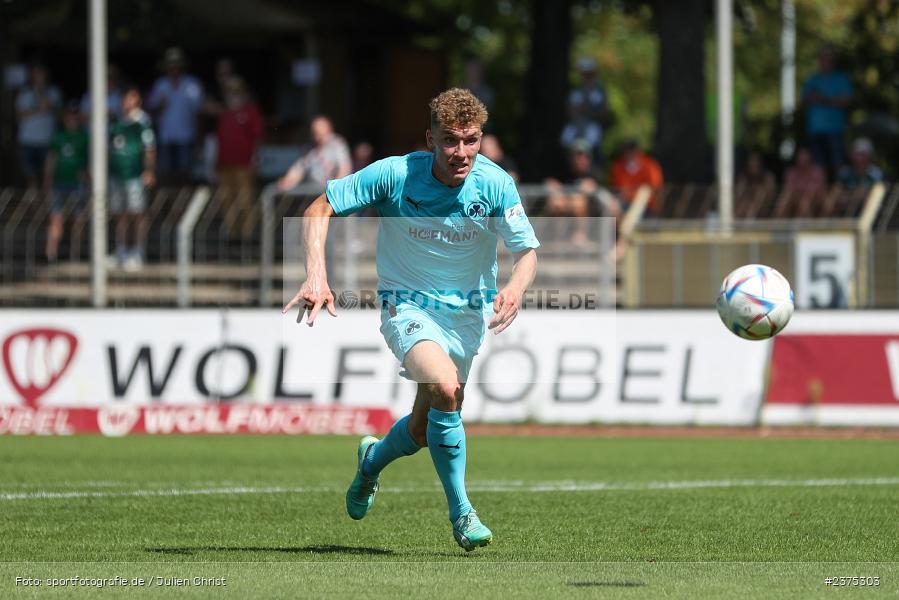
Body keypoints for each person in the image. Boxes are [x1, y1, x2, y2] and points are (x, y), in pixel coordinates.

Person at [282, 88, 539, 551]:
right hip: (407, 305)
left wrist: (516, 288)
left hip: (466, 317)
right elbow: (319, 207)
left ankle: (370, 463)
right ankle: (462, 513)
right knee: (445, 387)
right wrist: (316, 276)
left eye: (471, 140)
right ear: (430, 139)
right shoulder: (396, 173)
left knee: (424, 428)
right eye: (450, 141)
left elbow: (527, 252)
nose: (461, 153)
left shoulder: (496, 183)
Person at [109, 86, 156, 271]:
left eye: (130, 98)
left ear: (137, 99)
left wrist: (149, 171)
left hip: (135, 175)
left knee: (137, 213)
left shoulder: (142, 122)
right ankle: (121, 250)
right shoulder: (117, 123)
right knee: (120, 214)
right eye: (124, 98)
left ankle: (137, 251)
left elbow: (150, 149)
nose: (127, 102)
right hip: (117, 175)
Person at [214, 76, 264, 237]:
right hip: (224, 163)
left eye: (235, 91)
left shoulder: (250, 111)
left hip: (244, 163)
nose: (232, 95)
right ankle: (232, 231)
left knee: (245, 198)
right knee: (226, 198)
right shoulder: (225, 113)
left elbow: (257, 137)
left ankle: (247, 232)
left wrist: (255, 157)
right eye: (229, 92)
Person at [146, 47, 203, 184]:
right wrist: (160, 105)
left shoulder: (192, 84)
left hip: (186, 137)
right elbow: (150, 112)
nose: (173, 68)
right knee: (166, 173)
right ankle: (168, 204)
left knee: (185, 172)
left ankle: (185, 204)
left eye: (176, 64)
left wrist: (199, 138)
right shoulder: (160, 85)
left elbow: (198, 114)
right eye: (170, 65)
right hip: (166, 137)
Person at [543, 139, 611, 246]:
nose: (579, 159)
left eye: (583, 155)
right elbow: (550, 183)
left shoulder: (594, 173)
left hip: (591, 214)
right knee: (556, 202)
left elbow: (592, 188)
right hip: (566, 206)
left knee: (577, 201)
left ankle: (580, 235)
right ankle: (558, 238)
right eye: (576, 155)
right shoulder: (564, 171)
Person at [43, 102, 88, 261]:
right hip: (59, 182)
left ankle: (75, 255)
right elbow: (51, 159)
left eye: (75, 116)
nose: (72, 119)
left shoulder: (85, 136)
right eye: (69, 116)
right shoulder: (58, 136)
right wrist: (47, 179)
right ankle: (50, 255)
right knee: (56, 218)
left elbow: (92, 161)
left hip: (78, 184)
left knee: (79, 220)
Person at [801, 45, 853, 176]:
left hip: (835, 129)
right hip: (815, 129)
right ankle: (822, 193)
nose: (825, 61)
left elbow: (846, 101)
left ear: (833, 60)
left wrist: (824, 99)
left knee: (838, 163)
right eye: (822, 58)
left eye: (828, 58)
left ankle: (841, 192)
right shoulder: (812, 79)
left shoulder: (841, 79)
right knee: (818, 166)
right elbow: (804, 100)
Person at [276, 115, 352, 192]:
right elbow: (298, 170)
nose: (318, 138)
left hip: (334, 194)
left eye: (321, 134)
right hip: (314, 194)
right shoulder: (308, 149)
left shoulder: (337, 144)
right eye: (315, 134)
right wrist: (286, 181)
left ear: (329, 131)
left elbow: (344, 169)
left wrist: (334, 190)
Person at [15, 64, 62, 189]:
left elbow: (48, 105)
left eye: (41, 75)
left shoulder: (53, 91)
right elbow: (20, 115)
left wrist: (39, 97)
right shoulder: (24, 93)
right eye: (36, 75)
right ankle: (34, 206)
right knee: (31, 177)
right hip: (27, 141)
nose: (39, 78)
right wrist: (38, 109)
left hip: (47, 141)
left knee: (47, 178)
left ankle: (46, 207)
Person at [609, 138, 664, 214]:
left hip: (646, 206)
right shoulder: (617, 167)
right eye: (626, 150)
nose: (628, 153)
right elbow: (618, 189)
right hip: (624, 204)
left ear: (637, 150)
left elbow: (654, 188)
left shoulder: (650, 165)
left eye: (631, 149)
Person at [778, 147, 827, 218]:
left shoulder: (818, 172)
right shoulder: (790, 172)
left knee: (806, 201)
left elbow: (820, 191)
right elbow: (789, 189)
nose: (802, 159)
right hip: (795, 199)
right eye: (800, 157)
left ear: (810, 158)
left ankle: (806, 225)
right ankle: (779, 224)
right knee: (786, 197)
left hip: (815, 200)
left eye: (805, 157)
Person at [734, 151, 776, 219]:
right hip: (744, 209)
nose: (753, 165)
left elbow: (770, 199)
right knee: (743, 205)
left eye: (756, 164)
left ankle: (750, 220)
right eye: (751, 164)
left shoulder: (768, 178)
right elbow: (738, 196)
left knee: (760, 193)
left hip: (764, 212)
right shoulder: (744, 178)